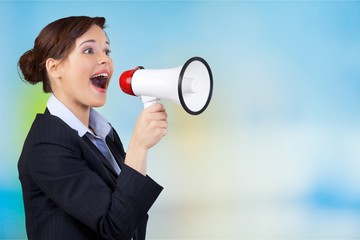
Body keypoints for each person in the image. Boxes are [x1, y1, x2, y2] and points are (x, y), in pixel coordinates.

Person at [17, 16, 168, 240]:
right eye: (89, 51)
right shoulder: (46, 144)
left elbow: (130, 214)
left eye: (106, 51)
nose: (105, 60)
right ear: (54, 67)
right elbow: (113, 225)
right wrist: (139, 147)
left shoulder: (103, 135)